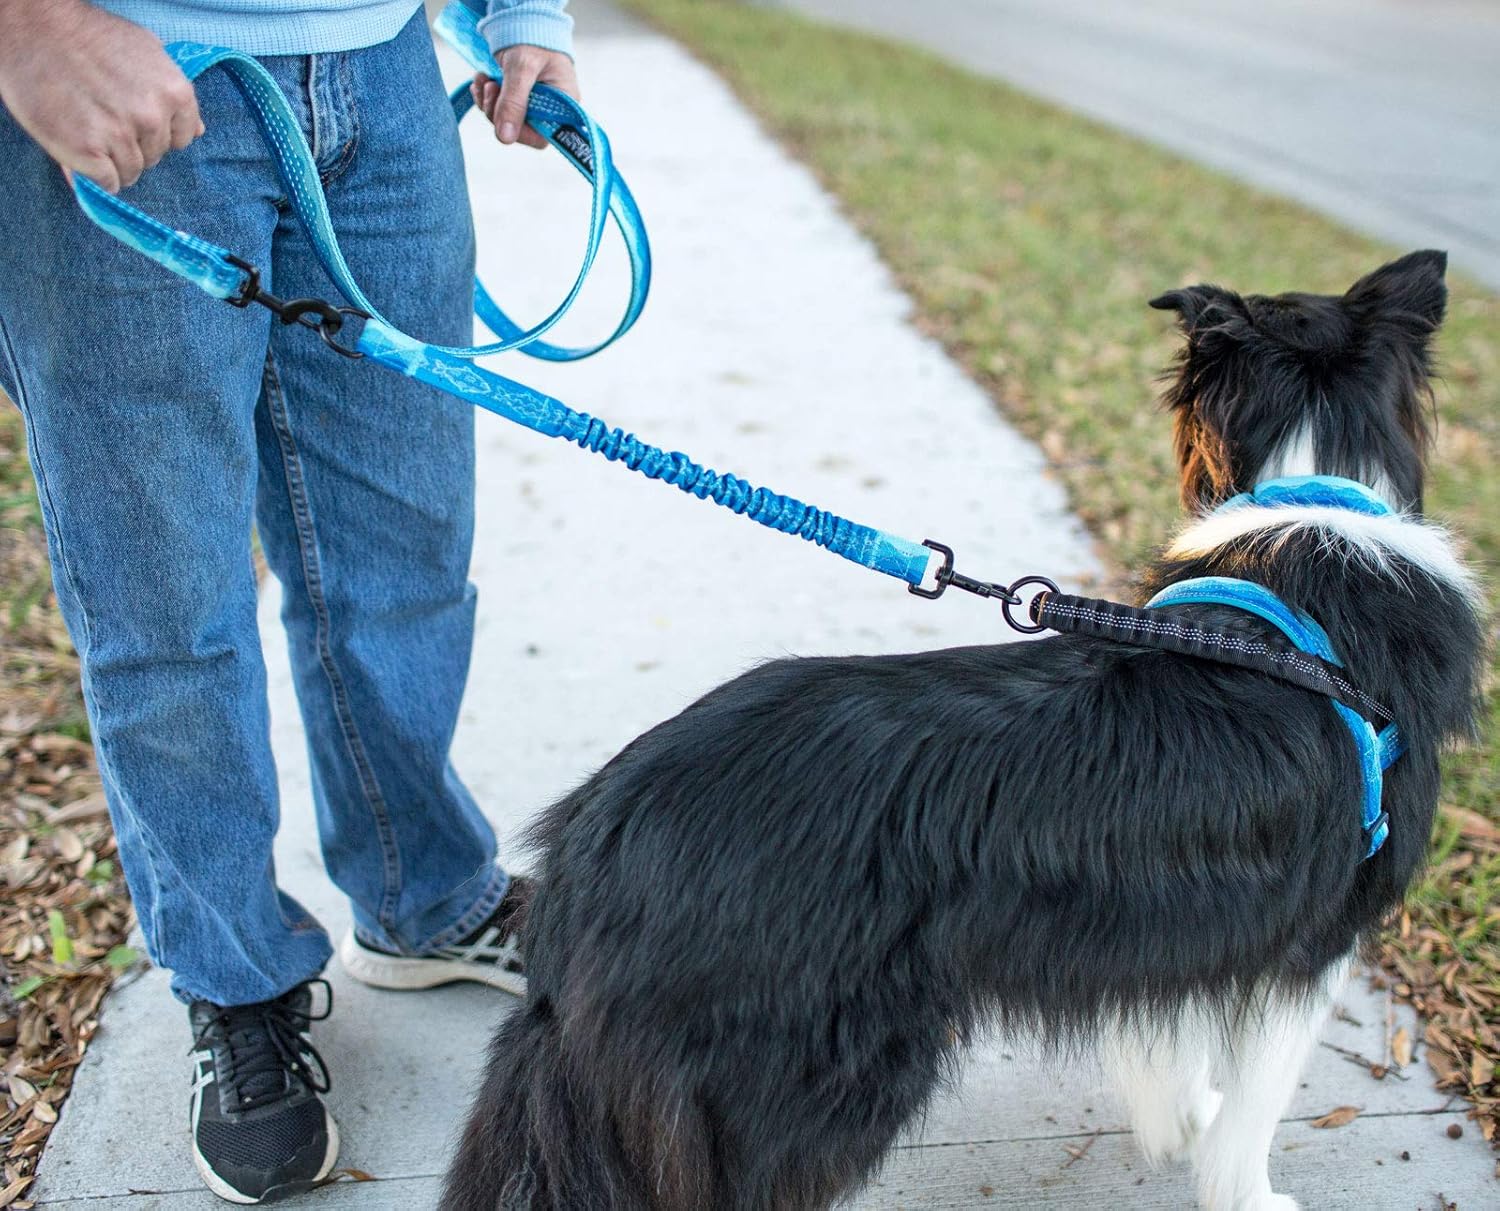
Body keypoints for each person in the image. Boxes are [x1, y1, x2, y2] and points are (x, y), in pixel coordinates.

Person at [0, 0, 575, 1200]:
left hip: (387, 80)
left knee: (405, 557)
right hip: (129, 68)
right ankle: (237, 980)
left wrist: (522, 12)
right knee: (167, 609)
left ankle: (426, 896)